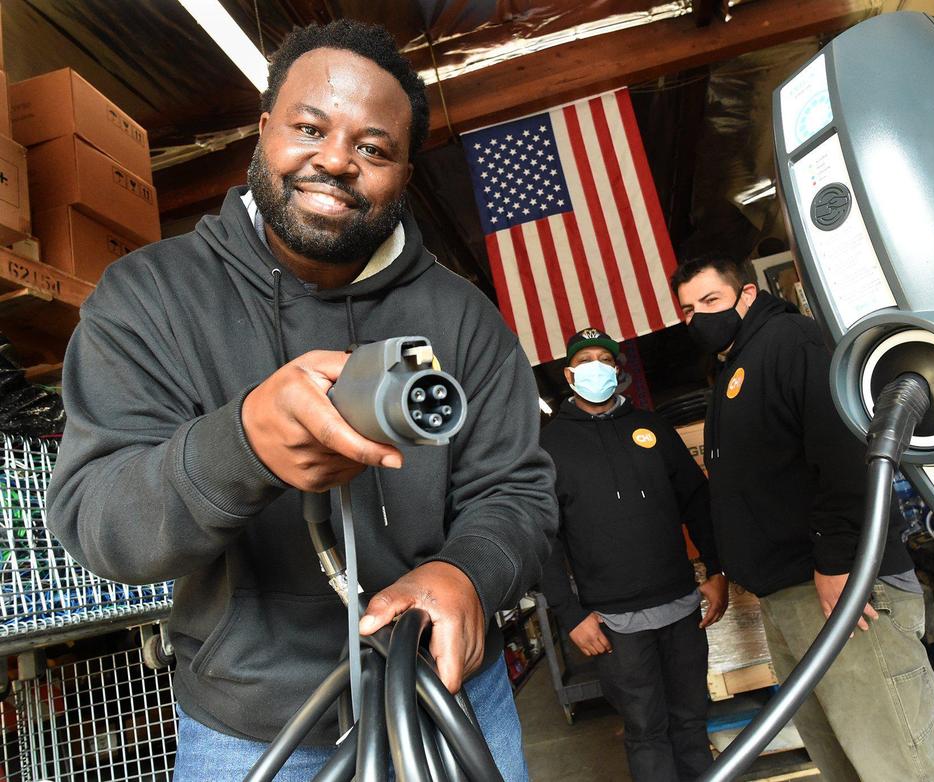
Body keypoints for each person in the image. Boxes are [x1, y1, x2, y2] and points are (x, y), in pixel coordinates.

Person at [45, 20, 556, 781]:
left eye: (374, 148)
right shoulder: (148, 298)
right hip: (248, 729)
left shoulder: (463, 316)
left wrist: (468, 572)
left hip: (446, 701)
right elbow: (100, 523)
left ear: (405, 172)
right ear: (262, 131)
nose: (336, 160)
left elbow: (518, 491)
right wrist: (241, 447)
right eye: (309, 127)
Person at [672, 257, 934, 782]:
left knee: (900, 763)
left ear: (745, 295)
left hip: (839, 588)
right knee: (844, 761)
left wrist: (838, 559)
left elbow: (846, 452)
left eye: (710, 302)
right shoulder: (737, 365)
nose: (698, 317)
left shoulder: (790, 341)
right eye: (687, 309)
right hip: (789, 594)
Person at [539, 327, 728, 782]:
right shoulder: (548, 447)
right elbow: (542, 538)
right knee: (645, 729)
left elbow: (696, 500)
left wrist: (719, 569)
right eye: (585, 362)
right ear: (569, 374)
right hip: (613, 622)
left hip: (681, 607)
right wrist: (570, 616)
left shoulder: (652, 428)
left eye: (604, 360)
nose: (595, 369)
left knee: (690, 720)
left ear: (618, 371)